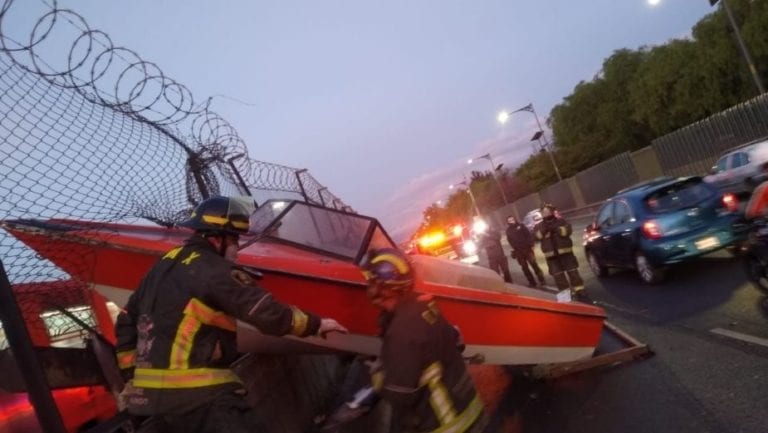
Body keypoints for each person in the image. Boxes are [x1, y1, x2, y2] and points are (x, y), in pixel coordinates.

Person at [114, 196, 347, 432]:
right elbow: (264, 313)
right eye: (234, 239)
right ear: (218, 239)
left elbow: (125, 320)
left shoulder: (162, 265)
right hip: (200, 395)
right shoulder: (213, 269)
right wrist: (316, 324)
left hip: (152, 402)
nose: (237, 248)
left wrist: (131, 373)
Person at [359, 248, 487, 433]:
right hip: (471, 410)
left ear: (383, 286)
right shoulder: (424, 304)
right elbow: (456, 340)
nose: (368, 288)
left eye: (370, 282)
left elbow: (400, 393)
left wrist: (378, 372)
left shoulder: (401, 331)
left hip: (448, 426)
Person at [533, 203, 584, 295]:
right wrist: (543, 230)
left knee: (573, 272)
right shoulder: (539, 226)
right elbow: (536, 237)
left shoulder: (561, 221)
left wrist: (557, 229)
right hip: (551, 257)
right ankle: (565, 295)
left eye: (547, 211)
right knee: (558, 276)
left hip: (566, 254)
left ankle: (579, 290)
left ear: (552, 211)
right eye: (544, 212)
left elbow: (568, 231)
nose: (546, 213)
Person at [505, 215, 546, 288]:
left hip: (527, 249)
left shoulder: (521, 226)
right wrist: (514, 248)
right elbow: (510, 241)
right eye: (509, 220)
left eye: (512, 219)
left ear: (515, 219)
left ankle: (542, 280)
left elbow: (528, 235)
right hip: (518, 252)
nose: (511, 221)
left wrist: (531, 245)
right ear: (508, 222)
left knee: (534, 264)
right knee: (524, 268)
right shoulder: (508, 231)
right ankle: (532, 282)